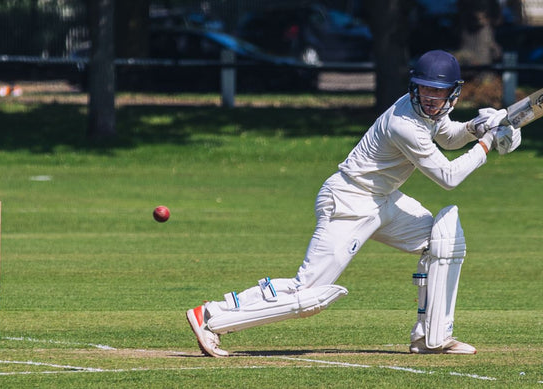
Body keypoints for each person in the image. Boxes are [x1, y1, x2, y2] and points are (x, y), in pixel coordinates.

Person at [185, 50, 522, 356]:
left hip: (383, 200)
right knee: (309, 294)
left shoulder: (428, 114)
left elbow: (449, 136)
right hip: (349, 201)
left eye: (438, 92)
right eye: (425, 90)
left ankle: (430, 337)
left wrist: (475, 127)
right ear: (414, 87)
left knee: (441, 242)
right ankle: (212, 316)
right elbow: (448, 177)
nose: (431, 99)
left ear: (452, 93)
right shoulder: (405, 124)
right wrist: (487, 144)